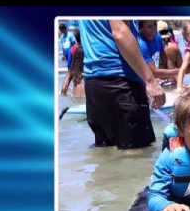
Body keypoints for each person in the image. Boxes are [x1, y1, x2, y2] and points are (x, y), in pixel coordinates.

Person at [78, 20, 166, 149]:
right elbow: (120, 32)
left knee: (105, 156)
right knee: (136, 157)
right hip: (122, 83)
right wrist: (150, 81)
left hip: (93, 84)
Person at [137, 20, 179, 85]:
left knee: (170, 50)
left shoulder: (158, 36)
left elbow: (165, 59)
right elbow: (154, 72)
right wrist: (179, 71)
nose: (154, 29)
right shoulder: (142, 45)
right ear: (141, 29)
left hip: (153, 71)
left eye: (155, 25)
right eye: (149, 26)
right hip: (139, 76)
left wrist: (177, 79)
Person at [61, 28, 85, 98]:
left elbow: (69, 62)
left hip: (73, 70)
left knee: (71, 84)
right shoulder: (86, 48)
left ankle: (64, 95)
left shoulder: (72, 49)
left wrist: (69, 70)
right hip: (83, 72)